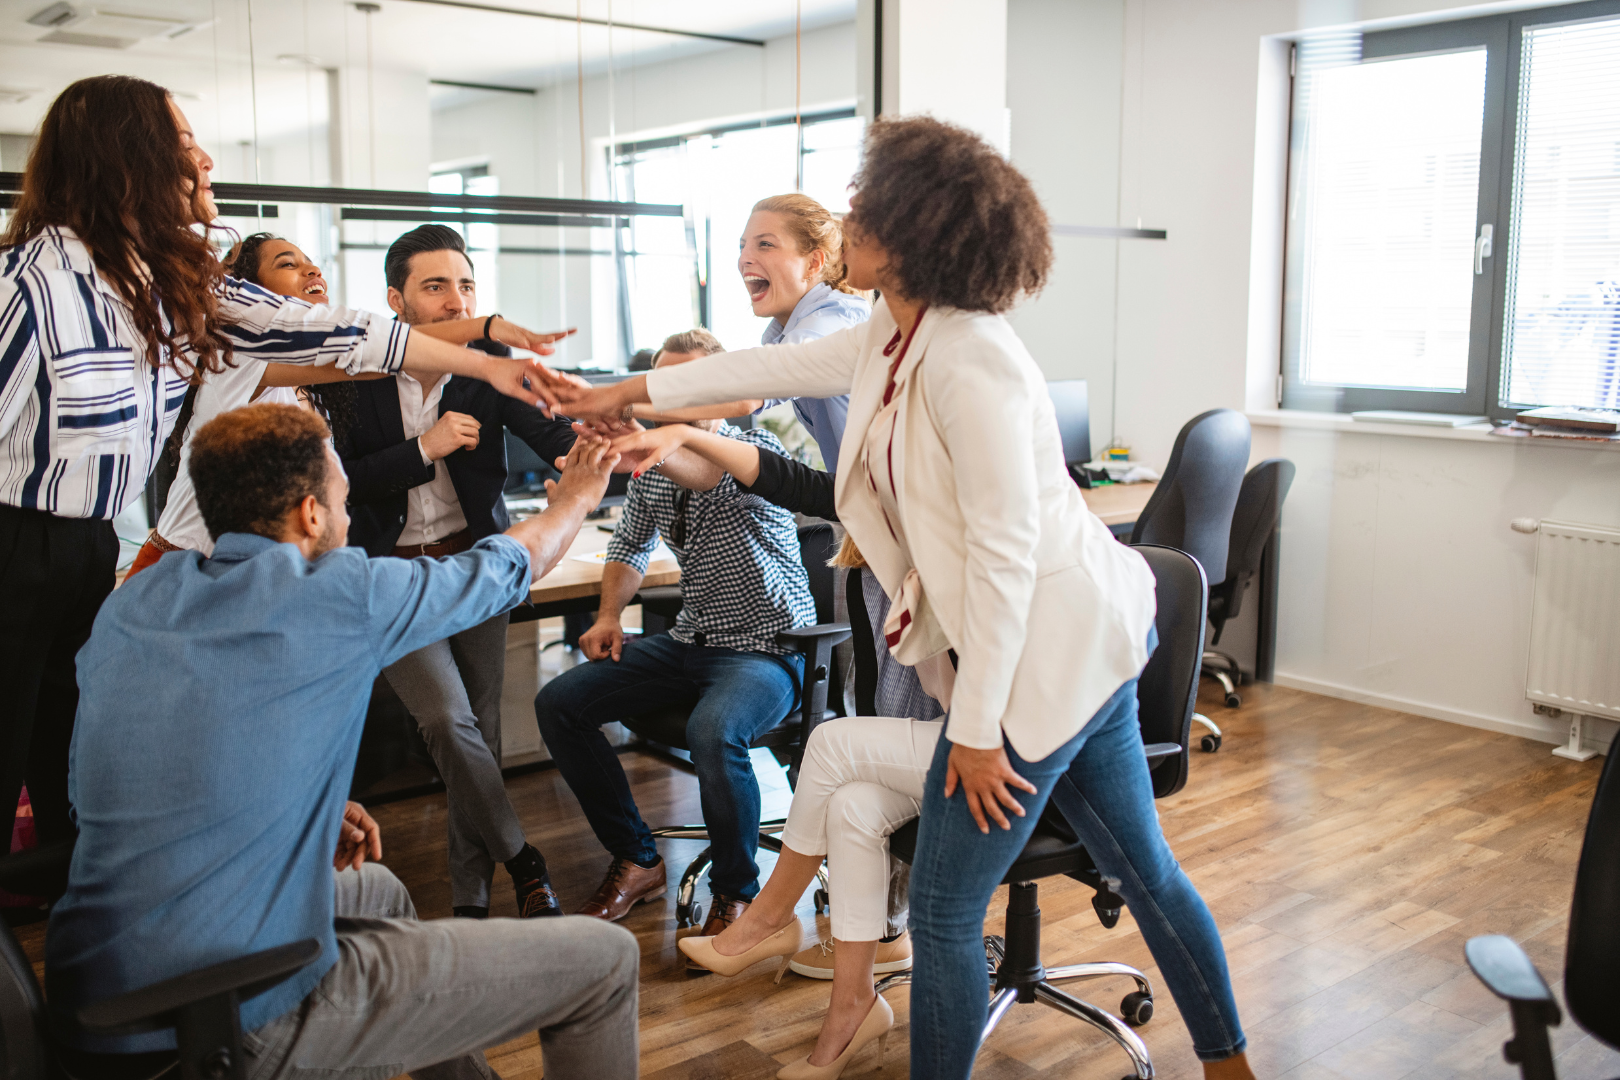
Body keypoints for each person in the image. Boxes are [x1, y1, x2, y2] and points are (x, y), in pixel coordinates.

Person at [545, 116, 1256, 1080]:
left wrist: (975, 727)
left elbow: (1004, 557)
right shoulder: (893, 327)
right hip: (1071, 651)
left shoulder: (975, 360)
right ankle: (1231, 1066)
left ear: (917, 229)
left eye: (865, 207)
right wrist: (618, 392)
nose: (847, 219)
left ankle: (1221, 1062)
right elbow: (769, 369)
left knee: (950, 914)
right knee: (1148, 877)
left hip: (1045, 663)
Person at [0, 76, 565, 851]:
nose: (203, 157)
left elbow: (334, 332)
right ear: (123, 160)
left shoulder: (176, 284)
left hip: (89, 546)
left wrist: (497, 360)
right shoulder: (27, 286)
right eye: (181, 140)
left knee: (77, 786)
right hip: (18, 546)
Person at [48, 402, 635, 1080]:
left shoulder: (134, 601)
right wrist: (580, 495)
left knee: (379, 891)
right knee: (604, 964)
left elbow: (115, 782)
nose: (351, 518)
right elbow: (510, 565)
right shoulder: (337, 595)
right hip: (224, 1010)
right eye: (344, 500)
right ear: (310, 515)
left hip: (93, 990)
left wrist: (300, 813)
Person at [591, 418, 939, 1078]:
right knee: (855, 808)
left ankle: (766, 915)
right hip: (929, 737)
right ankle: (854, 1008)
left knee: (829, 747)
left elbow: (733, 467)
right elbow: (789, 481)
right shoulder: (876, 559)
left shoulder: (960, 550)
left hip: (1005, 748)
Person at [533, 328, 815, 948]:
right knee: (561, 703)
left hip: (769, 647)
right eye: (664, 386)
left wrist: (649, 448)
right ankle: (639, 860)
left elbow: (703, 472)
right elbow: (631, 543)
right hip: (693, 640)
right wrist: (608, 617)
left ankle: (738, 896)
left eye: (689, 386)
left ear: (723, 392)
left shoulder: (748, 449)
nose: (671, 401)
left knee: (712, 730)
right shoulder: (656, 465)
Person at [343, 224, 582, 921]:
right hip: (393, 577)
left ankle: (472, 902)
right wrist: (426, 448)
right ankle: (522, 857)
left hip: (475, 563)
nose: (456, 299)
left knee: (480, 729)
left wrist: (582, 454)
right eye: (436, 285)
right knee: (448, 724)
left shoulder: (488, 366)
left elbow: (552, 432)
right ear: (398, 300)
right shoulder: (353, 374)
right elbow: (342, 481)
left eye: (466, 284)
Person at [127, 232, 572, 573]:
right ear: (253, 298)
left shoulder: (321, 387)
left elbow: (385, 349)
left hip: (268, 571)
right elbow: (386, 348)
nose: (312, 272)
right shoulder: (240, 359)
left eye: (313, 265)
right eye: (289, 265)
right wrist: (486, 328)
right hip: (189, 567)